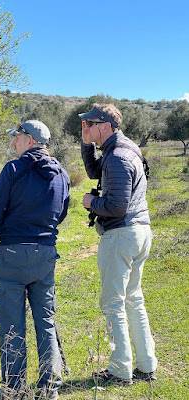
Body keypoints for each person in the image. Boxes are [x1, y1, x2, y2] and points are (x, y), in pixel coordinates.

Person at [0, 120, 70, 399]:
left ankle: (13, 389)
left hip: (13, 253)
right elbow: (62, 212)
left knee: (12, 322)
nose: (13, 143)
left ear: (30, 140)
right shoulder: (61, 174)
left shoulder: (13, 169)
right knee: (46, 319)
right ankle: (49, 388)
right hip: (45, 253)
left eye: (17, 138)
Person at [80, 104, 157, 386]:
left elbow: (116, 206)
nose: (85, 127)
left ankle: (120, 370)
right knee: (133, 300)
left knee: (113, 302)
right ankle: (146, 366)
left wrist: (91, 203)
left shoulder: (117, 157)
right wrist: (86, 143)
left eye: (89, 123)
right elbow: (94, 173)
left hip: (122, 235)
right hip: (138, 233)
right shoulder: (121, 150)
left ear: (105, 126)